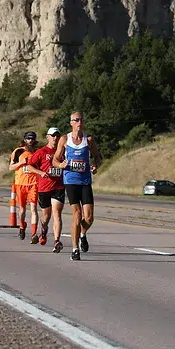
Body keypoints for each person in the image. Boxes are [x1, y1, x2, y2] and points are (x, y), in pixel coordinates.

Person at [53, 111, 102, 261]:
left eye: (81, 119)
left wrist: (95, 166)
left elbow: (98, 157)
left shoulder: (89, 140)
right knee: (77, 214)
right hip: (70, 180)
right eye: (76, 119)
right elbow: (55, 159)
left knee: (89, 217)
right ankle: (75, 249)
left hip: (85, 181)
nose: (79, 122)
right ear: (71, 123)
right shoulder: (64, 139)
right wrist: (60, 164)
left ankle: (82, 234)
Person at [26, 127, 65, 253]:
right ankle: (43, 229)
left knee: (57, 214)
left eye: (57, 136)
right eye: (53, 135)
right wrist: (40, 172)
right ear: (48, 137)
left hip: (58, 186)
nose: (55, 138)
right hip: (44, 188)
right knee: (46, 215)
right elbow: (30, 166)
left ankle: (57, 241)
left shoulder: (63, 151)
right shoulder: (42, 151)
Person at [9, 132, 39, 243]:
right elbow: (10, 167)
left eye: (32, 139)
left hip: (33, 183)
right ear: (24, 140)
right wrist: (21, 163)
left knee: (34, 209)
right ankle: (22, 226)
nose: (30, 140)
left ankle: (34, 234)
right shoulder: (18, 151)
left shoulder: (37, 152)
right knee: (22, 211)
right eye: (28, 138)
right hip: (20, 183)